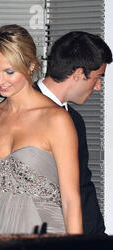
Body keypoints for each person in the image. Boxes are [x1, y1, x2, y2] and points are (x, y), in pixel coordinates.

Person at [0, 25, 83, 235]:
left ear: (31, 66)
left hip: (44, 237)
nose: (0, 80)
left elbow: (70, 200)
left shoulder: (56, 119)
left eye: (9, 72)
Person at [35, 31, 112, 234]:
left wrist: (95, 240)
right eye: (97, 78)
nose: (98, 87)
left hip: (80, 241)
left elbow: (82, 185)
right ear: (78, 74)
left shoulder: (75, 119)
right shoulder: (22, 111)